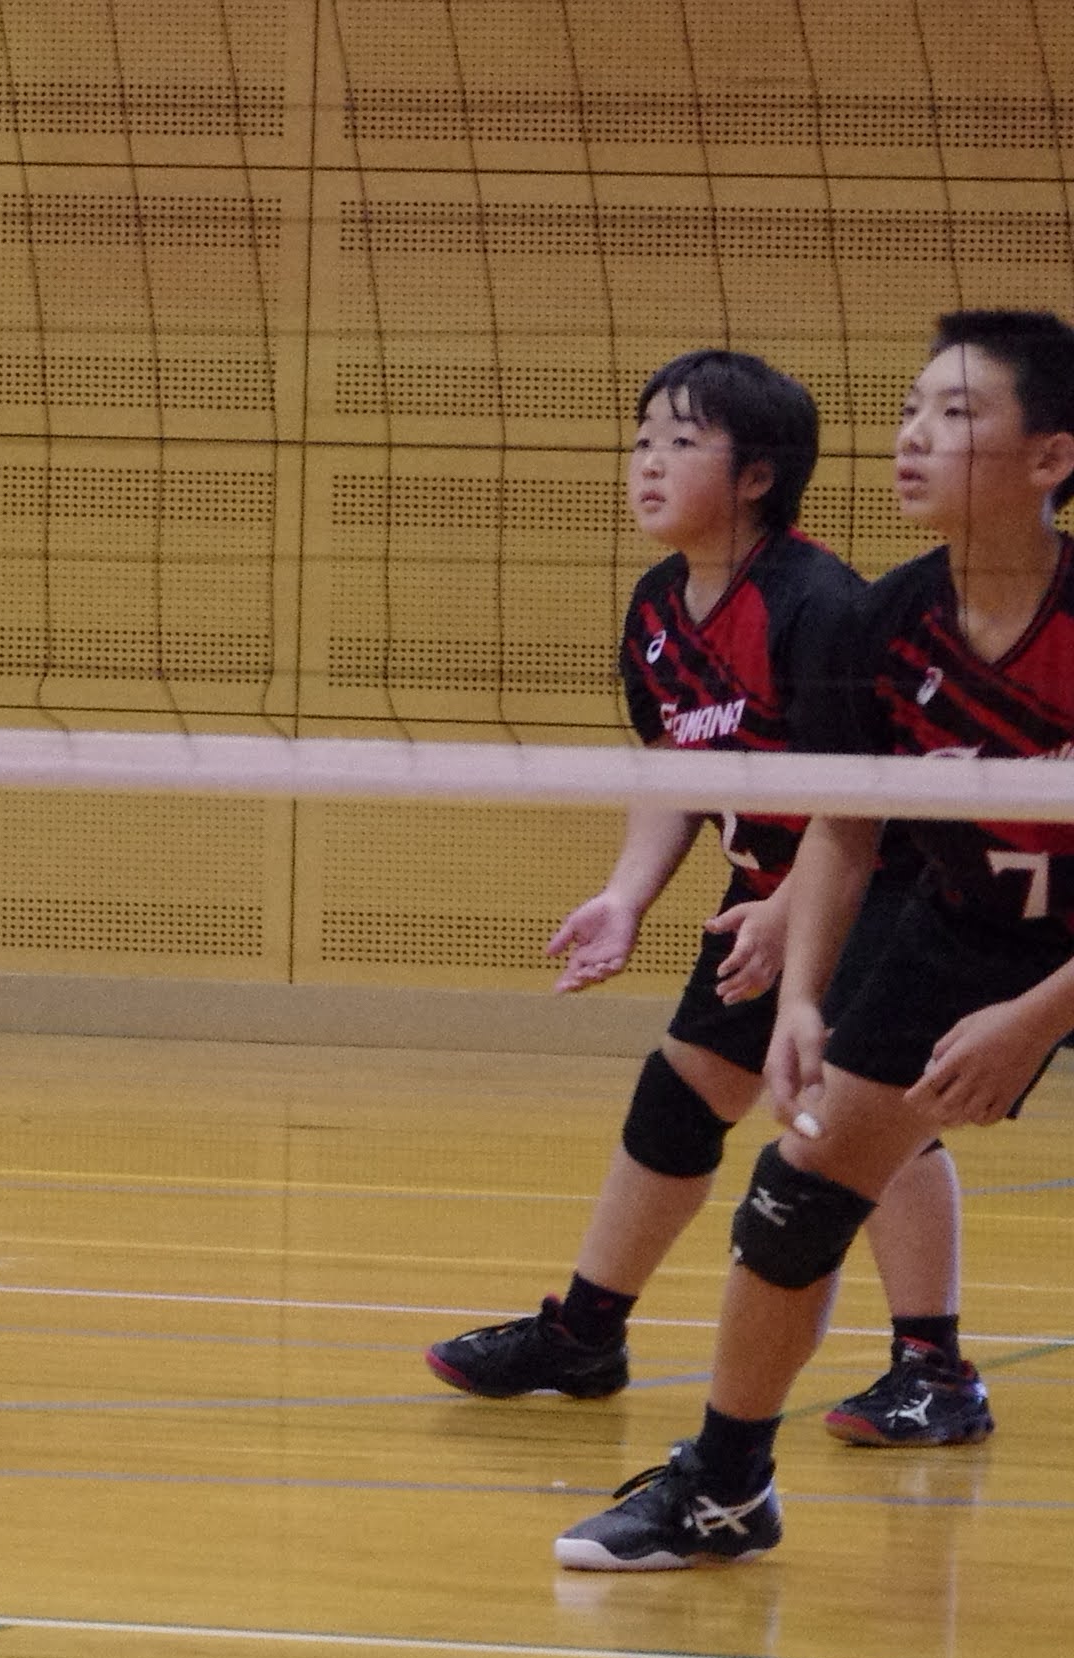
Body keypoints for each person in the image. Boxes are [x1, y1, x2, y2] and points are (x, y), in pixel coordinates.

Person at [560, 312, 1074, 1572]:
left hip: (1049, 961)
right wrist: (800, 1000)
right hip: (963, 926)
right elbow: (843, 827)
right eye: (909, 410)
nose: (913, 437)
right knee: (792, 1198)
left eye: (955, 414)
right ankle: (724, 1488)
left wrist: (1035, 1018)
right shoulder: (880, 624)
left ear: (1049, 457)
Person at [427, 352, 976, 1439]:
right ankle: (586, 1333)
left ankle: (936, 1368)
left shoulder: (819, 607)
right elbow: (675, 767)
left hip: (883, 891)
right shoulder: (655, 611)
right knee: (679, 1098)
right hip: (763, 895)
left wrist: (791, 911)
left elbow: (864, 803)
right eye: (641, 440)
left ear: (756, 476)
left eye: (680, 443)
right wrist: (626, 896)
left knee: (867, 1119)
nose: (647, 463)